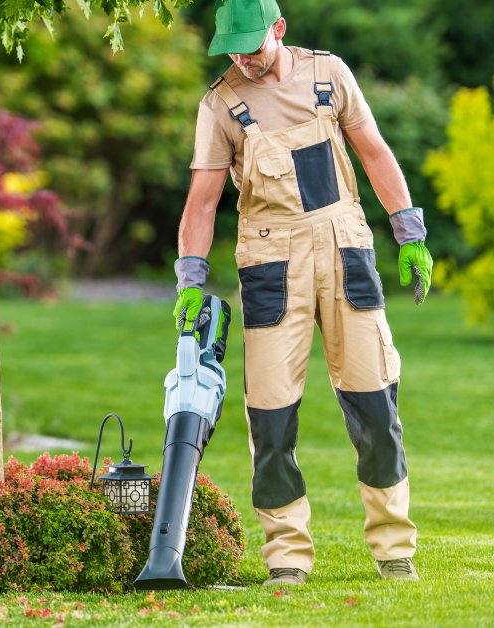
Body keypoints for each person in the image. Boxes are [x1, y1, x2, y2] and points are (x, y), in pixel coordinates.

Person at [172, 0, 432, 586]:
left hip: (345, 249)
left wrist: (409, 231)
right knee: (271, 417)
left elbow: (373, 151)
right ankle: (287, 556)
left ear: (279, 29)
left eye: (252, 44)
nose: (243, 57)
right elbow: (202, 202)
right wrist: (190, 276)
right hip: (269, 261)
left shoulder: (329, 74)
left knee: (374, 403)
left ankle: (394, 548)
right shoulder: (219, 105)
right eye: (232, 47)